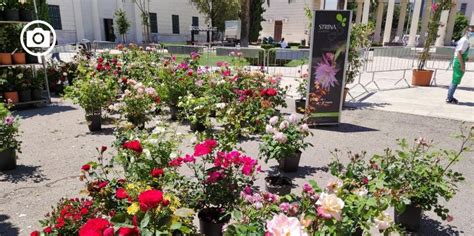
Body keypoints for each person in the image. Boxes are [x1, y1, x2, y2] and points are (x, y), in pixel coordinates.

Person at [447, 25, 474, 104]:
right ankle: (449, 98)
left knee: (456, 80)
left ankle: (450, 97)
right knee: (455, 81)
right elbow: (459, 53)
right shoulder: (464, 40)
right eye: (471, 31)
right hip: (458, 62)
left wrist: (466, 59)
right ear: (466, 31)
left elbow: (461, 53)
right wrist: (462, 65)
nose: (472, 33)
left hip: (460, 61)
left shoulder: (467, 40)